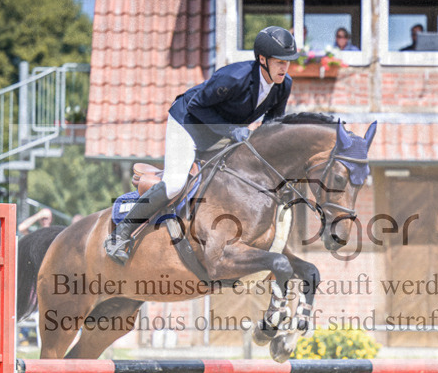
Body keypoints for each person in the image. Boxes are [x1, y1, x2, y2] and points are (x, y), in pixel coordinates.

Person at [104, 25, 299, 265]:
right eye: (279, 62)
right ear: (262, 59)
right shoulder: (234, 77)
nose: (284, 68)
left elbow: (272, 125)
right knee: (175, 184)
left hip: (220, 132)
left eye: (287, 62)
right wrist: (232, 130)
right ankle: (120, 234)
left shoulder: (283, 85)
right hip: (188, 123)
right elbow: (196, 106)